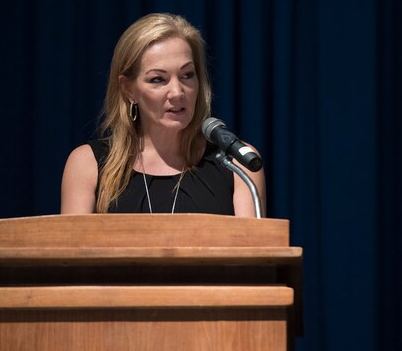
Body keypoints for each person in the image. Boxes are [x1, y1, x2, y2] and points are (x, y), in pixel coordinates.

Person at [61, 13, 265, 217]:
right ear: (128, 89)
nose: (177, 92)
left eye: (187, 75)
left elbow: (253, 239)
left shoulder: (238, 166)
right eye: (158, 79)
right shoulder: (87, 164)